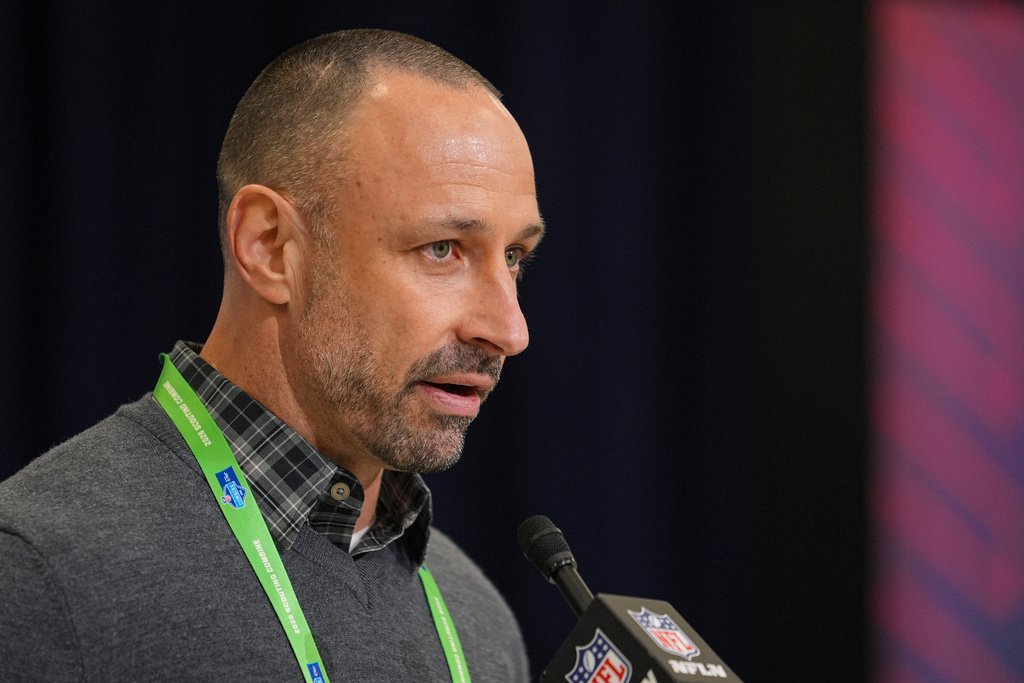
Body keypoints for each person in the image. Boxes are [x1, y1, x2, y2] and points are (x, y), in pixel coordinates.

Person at [0, 29, 544, 682]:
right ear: (269, 246)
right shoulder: (39, 574)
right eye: (443, 248)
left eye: (515, 257)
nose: (509, 330)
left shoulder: (476, 620)